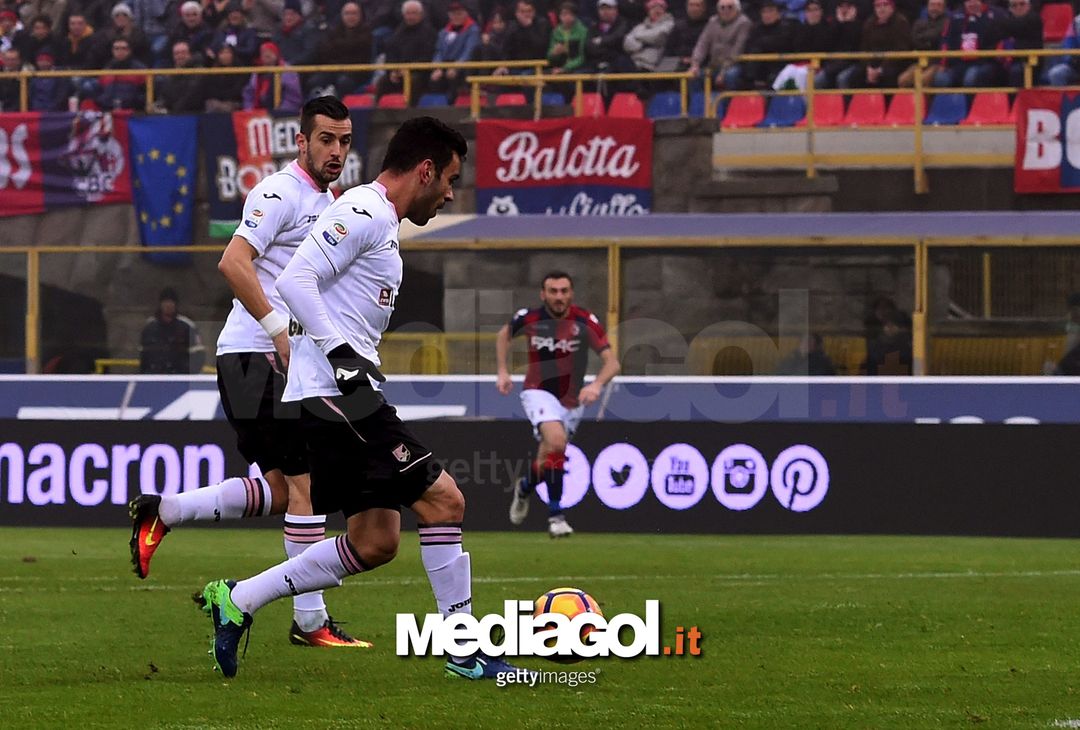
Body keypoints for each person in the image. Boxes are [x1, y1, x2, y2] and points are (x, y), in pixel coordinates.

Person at [196, 116, 529, 682]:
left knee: (375, 541)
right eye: (448, 179)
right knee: (446, 503)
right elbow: (295, 279)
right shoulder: (364, 212)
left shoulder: (378, 220)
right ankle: (464, 649)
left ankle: (241, 599)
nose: (449, 192)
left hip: (340, 395)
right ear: (424, 171)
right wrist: (339, 352)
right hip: (336, 397)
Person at [130, 97, 371, 650]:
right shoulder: (279, 192)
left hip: (272, 359)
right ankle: (310, 621)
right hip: (256, 356)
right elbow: (233, 262)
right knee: (308, 483)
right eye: (327, 140)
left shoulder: (329, 199)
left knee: (286, 492)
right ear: (302, 142)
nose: (337, 151)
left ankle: (164, 511)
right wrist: (280, 330)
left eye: (345, 140)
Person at [495, 271, 621, 538]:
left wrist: (597, 384)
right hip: (537, 392)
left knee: (549, 456)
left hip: (572, 400)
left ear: (571, 293)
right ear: (543, 294)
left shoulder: (585, 321)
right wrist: (503, 371)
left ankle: (525, 487)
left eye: (564, 291)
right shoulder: (529, 318)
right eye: (553, 291)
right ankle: (556, 516)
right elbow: (503, 335)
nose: (559, 296)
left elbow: (613, 362)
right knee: (556, 441)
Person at [138, 288, 206, 374]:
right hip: (154, 378)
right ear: (160, 304)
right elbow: (143, 356)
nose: (168, 305)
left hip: (180, 378)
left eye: (171, 302)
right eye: (165, 302)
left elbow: (198, 355)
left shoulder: (186, 326)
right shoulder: (149, 327)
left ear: (175, 304)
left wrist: (188, 375)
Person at [687, 0, 751, 90]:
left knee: (730, 76)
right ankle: (699, 103)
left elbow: (738, 49)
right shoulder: (712, 21)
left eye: (730, 7)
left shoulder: (744, 23)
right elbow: (702, 43)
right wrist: (695, 64)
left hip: (734, 64)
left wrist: (723, 72)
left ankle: (727, 103)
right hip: (714, 65)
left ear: (737, 9)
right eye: (722, 7)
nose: (726, 10)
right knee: (693, 76)